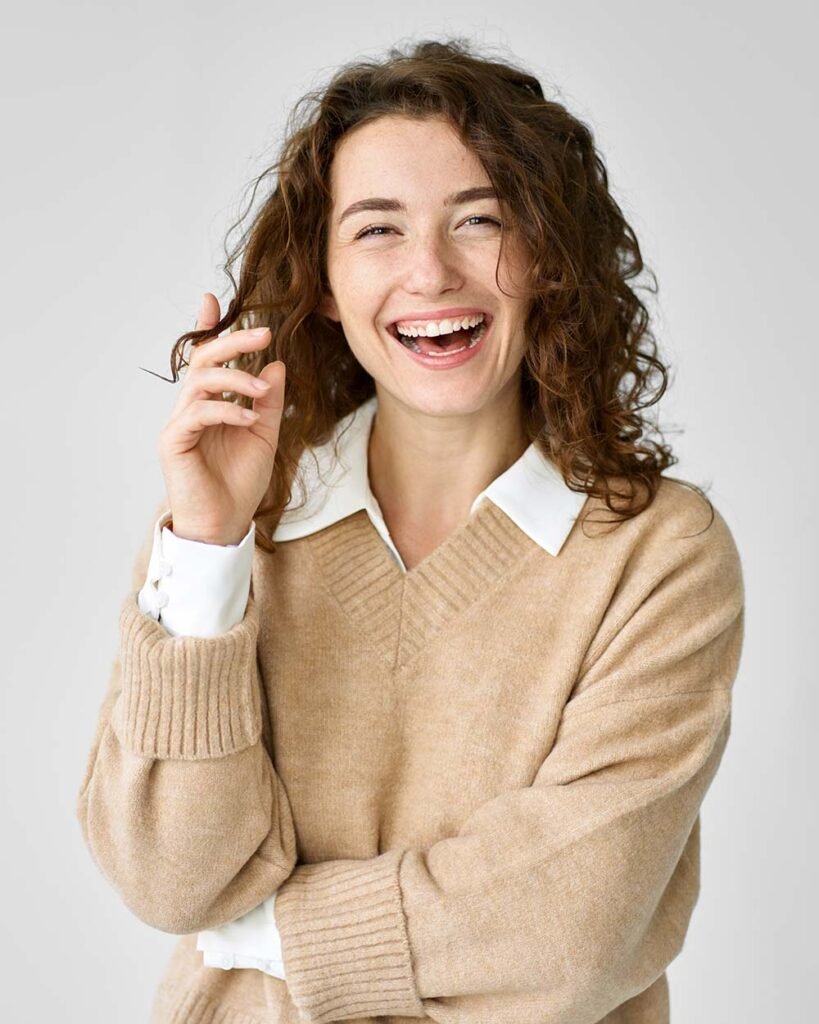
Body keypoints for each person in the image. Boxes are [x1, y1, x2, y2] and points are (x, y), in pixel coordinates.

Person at [75, 37, 745, 1024]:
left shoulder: (656, 554)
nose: (430, 272)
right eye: (378, 230)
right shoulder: (233, 523)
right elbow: (173, 880)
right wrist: (210, 550)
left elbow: (574, 925)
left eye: (479, 220)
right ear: (325, 280)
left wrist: (270, 932)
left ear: (547, 258)